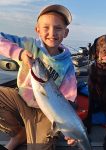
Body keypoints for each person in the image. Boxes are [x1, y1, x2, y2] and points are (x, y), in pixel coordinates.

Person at [0, 4, 77, 150]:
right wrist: (19, 53)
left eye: (58, 28)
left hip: (46, 113)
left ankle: (32, 133)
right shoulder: (28, 45)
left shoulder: (67, 64)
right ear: (37, 30)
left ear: (66, 33)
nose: (52, 33)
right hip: (21, 100)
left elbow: (69, 98)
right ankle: (17, 133)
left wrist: (69, 128)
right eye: (46, 27)